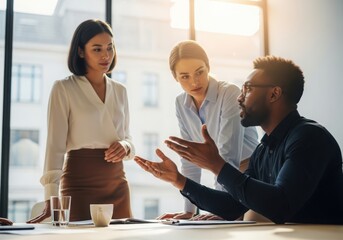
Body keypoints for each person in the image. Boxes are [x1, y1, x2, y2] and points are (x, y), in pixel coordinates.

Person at [135, 56, 343, 224]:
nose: (239, 97)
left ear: (274, 94)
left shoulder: (308, 138)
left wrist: (217, 165)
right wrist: (179, 181)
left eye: (248, 89)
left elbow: (280, 206)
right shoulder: (264, 149)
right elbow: (235, 205)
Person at [27, 19, 135, 223]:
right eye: (97, 49)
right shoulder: (63, 88)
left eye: (109, 48)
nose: (106, 55)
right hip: (78, 184)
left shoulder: (121, 91)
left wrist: (125, 146)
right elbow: (54, 146)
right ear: (80, 52)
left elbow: (127, 136)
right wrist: (51, 195)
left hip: (117, 184)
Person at [156, 40, 258, 220]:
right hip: (224, 176)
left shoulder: (229, 93)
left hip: (251, 177)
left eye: (199, 72)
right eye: (184, 76)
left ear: (208, 67)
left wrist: (221, 208)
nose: (194, 82)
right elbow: (189, 160)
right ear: (175, 77)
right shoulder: (181, 102)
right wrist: (190, 210)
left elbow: (228, 156)